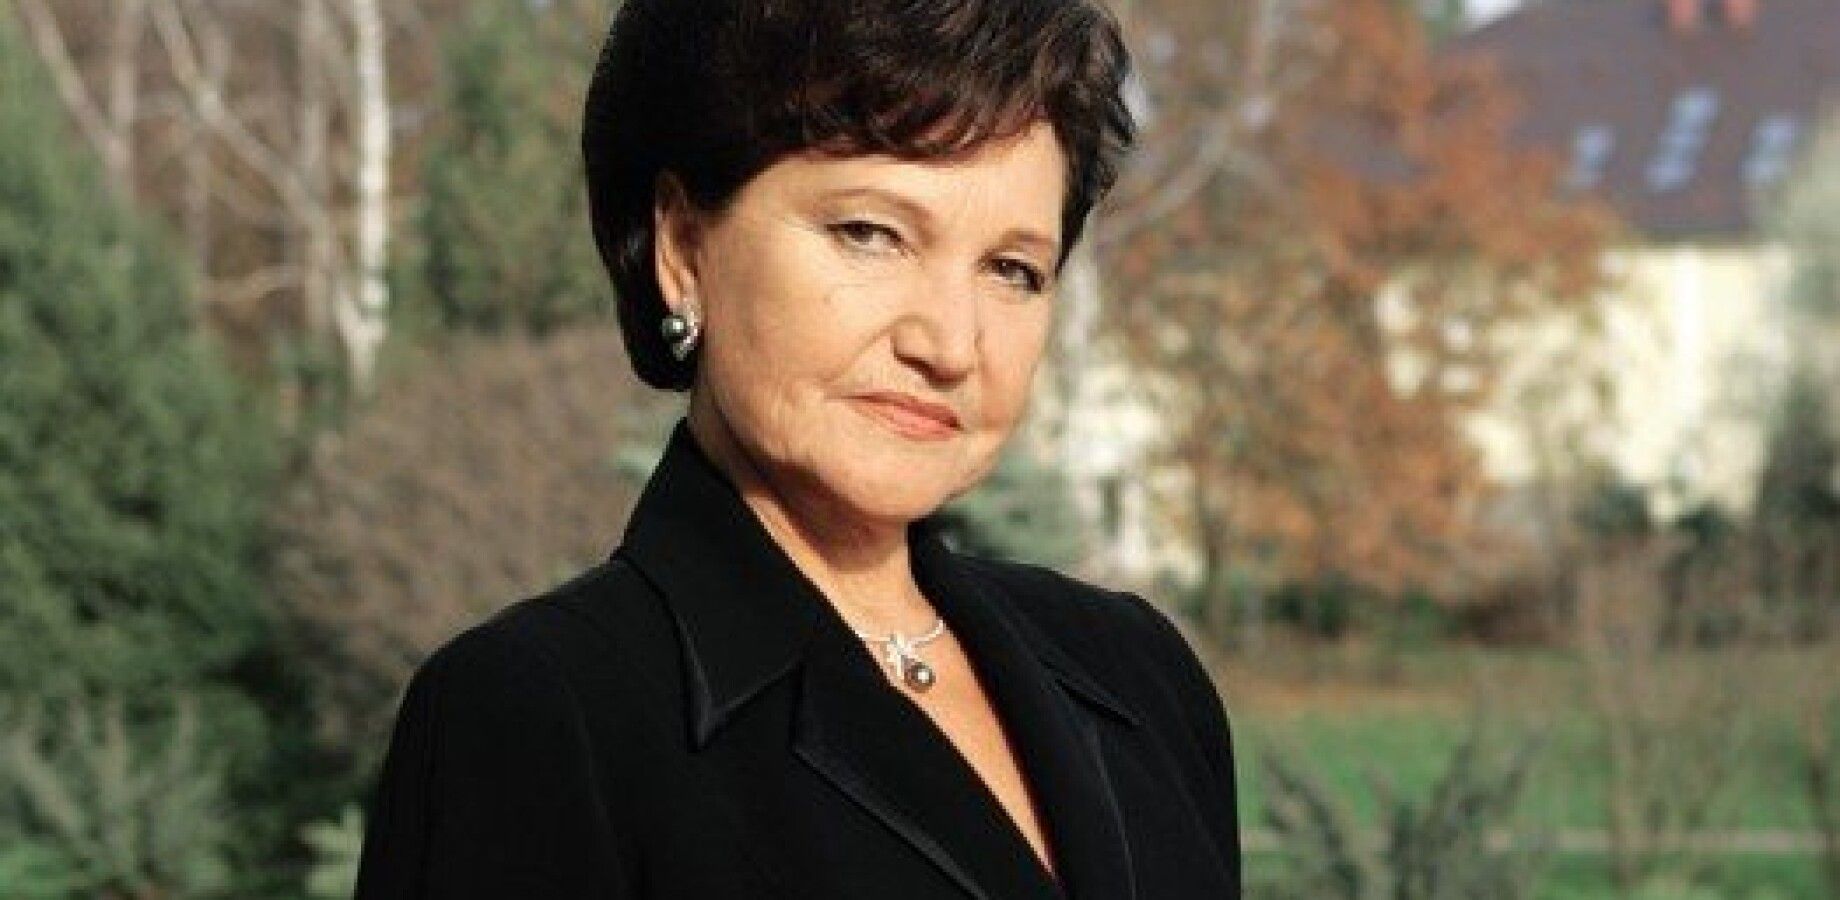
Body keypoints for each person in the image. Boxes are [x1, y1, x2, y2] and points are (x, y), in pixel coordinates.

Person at [352, 0, 1241, 896]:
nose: (949, 344)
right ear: (684, 248)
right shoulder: (541, 712)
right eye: (871, 234)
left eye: (1012, 269)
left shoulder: (1139, 677)